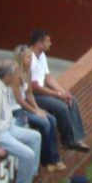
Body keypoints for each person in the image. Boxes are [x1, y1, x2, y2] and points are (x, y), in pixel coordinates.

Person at [0, 60, 42, 183]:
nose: (20, 77)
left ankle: (31, 175)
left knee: (36, 137)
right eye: (17, 74)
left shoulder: (2, 86)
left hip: (7, 128)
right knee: (28, 154)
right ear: (8, 76)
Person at [27, 30, 91, 153]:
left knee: (71, 100)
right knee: (61, 107)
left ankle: (77, 138)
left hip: (42, 90)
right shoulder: (30, 59)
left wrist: (63, 92)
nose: (50, 44)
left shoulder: (42, 56)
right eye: (47, 41)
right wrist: (58, 95)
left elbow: (48, 78)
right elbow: (35, 87)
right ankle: (67, 141)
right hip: (35, 95)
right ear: (39, 43)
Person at [9, 45, 61, 173]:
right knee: (44, 123)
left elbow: (29, 94)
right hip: (15, 110)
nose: (31, 59)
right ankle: (45, 159)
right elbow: (19, 100)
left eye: (30, 56)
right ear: (20, 59)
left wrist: (38, 109)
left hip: (24, 107)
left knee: (51, 119)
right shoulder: (15, 75)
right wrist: (35, 111)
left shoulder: (28, 72)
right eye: (28, 57)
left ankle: (53, 158)